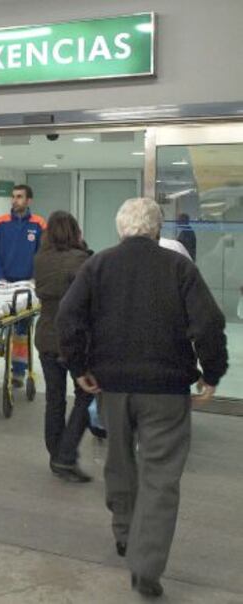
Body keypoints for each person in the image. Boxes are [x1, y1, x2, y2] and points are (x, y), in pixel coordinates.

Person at [56, 197, 228, 598]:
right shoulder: (179, 267)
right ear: (156, 229)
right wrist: (212, 372)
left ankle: (123, 533)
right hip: (167, 391)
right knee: (161, 477)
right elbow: (208, 322)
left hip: (112, 386)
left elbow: (68, 315)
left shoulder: (97, 266)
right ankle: (146, 567)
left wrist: (79, 368)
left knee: (119, 461)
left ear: (121, 229)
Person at [34, 211, 97, 483]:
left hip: (46, 336)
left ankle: (56, 453)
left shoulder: (40, 259)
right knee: (87, 392)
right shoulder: (82, 260)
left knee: (54, 398)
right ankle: (66, 454)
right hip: (74, 339)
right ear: (75, 232)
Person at [0, 184, 46, 387]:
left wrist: (34, 279)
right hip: (5, 283)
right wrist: (0, 278)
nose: (15, 200)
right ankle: (9, 358)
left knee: (21, 331)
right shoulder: (0, 223)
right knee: (6, 325)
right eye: (13, 196)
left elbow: (42, 254)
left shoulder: (39, 224)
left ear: (29, 200)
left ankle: (18, 372)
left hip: (27, 286)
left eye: (19, 197)